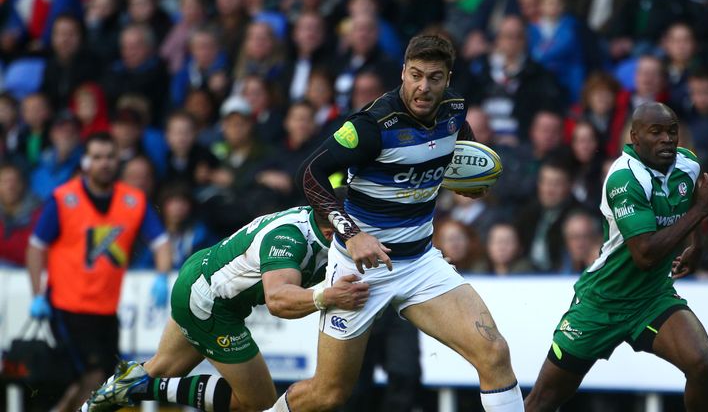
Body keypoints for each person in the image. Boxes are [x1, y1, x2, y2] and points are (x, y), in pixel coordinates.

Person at [269, 35, 524, 412]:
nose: (423, 87)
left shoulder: (455, 109)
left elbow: (461, 146)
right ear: (403, 71)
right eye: (416, 75)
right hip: (359, 269)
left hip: (421, 264)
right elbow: (309, 173)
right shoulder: (371, 125)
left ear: (447, 79)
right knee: (329, 393)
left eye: (434, 78)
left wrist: (468, 180)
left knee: (495, 353)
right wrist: (351, 234)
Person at [524, 102, 708, 412]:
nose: (667, 138)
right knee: (544, 400)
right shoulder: (625, 179)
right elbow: (646, 255)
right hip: (602, 302)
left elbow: (692, 198)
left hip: (652, 298)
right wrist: (702, 211)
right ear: (635, 137)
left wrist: (697, 246)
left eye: (672, 131)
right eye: (656, 132)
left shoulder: (688, 164)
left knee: (704, 363)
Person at [82, 204, 370, 412]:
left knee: (161, 369)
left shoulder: (317, 226)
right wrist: (327, 296)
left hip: (202, 278)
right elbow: (278, 299)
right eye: (360, 231)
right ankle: (136, 388)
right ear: (333, 231)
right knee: (260, 404)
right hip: (211, 304)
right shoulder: (290, 241)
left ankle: (111, 395)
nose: (367, 237)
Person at [26, 132, 172, 412]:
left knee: (100, 380)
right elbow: (35, 247)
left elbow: (161, 242)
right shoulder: (63, 199)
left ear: (118, 160)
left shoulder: (133, 201)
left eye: (109, 157)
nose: (104, 163)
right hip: (67, 306)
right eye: (97, 157)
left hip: (106, 310)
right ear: (85, 162)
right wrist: (37, 295)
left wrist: (162, 275)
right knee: (92, 375)